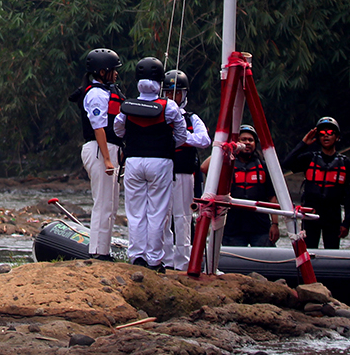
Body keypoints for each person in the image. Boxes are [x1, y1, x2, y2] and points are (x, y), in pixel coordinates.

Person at [113, 57, 188, 271]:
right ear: (160, 81)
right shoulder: (169, 106)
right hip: (160, 162)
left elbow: (118, 130)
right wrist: (166, 144)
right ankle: (154, 260)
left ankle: (137, 256)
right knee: (158, 212)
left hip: (133, 161)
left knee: (135, 212)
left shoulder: (127, 106)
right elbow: (181, 136)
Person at [72, 48, 124, 259]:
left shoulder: (106, 92)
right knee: (102, 203)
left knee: (111, 204)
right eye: (113, 70)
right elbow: (98, 127)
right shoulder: (95, 94)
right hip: (99, 149)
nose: (116, 74)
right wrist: (108, 159)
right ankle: (97, 251)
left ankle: (103, 249)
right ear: (102, 72)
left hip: (109, 148)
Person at [202, 124, 281, 247]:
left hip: (260, 226)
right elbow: (204, 167)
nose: (247, 143)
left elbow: (272, 198)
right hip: (233, 227)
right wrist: (224, 148)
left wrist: (275, 224)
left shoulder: (264, 166)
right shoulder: (227, 164)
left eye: (250, 140)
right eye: (243, 139)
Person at [162, 69, 210, 269]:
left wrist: (182, 137)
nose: (172, 97)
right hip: (162, 172)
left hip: (184, 172)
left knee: (183, 217)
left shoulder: (191, 118)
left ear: (184, 95)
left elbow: (204, 140)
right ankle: (164, 259)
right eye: (168, 93)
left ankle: (183, 261)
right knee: (162, 216)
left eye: (177, 93)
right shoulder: (158, 114)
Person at [283, 116, 350, 249]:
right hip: (311, 214)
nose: (326, 136)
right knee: (309, 250)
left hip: (332, 216)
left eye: (330, 133)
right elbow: (287, 164)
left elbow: (349, 196)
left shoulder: (346, 164)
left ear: (337, 137)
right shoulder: (309, 158)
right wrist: (303, 144)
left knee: (332, 251)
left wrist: (346, 223)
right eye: (322, 133)